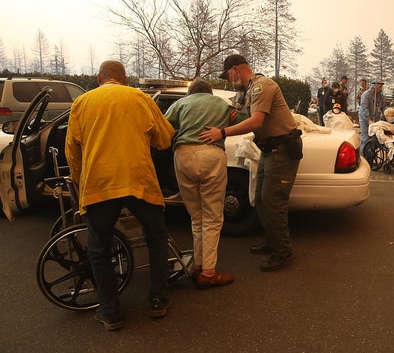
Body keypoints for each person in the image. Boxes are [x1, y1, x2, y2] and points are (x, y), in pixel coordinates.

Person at [65, 60, 175, 331]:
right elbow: (164, 138)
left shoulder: (81, 102)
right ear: (124, 78)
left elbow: (72, 150)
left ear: (98, 78)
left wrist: (80, 183)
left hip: (100, 182)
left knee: (99, 248)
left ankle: (111, 313)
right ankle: (158, 300)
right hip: (138, 179)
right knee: (157, 238)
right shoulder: (140, 98)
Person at [199, 54, 302, 272]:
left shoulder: (261, 86)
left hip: (281, 150)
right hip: (269, 149)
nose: (228, 79)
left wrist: (222, 132)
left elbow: (256, 121)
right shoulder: (249, 90)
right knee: (261, 200)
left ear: (236, 69)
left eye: (228, 74)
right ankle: (272, 241)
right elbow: (249, 115)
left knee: (273, 201)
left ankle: (282, 252)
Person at [164, 80, 235, 289]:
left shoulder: (181, 104)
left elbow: (164, 126)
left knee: (196, 216)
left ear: (190, 92)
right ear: (209, 92)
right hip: (211, 154)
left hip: (183, 155)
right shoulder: (221, 104)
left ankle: (198, 265)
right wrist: (230, 116)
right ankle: (209, 273)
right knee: (212, 216)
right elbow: (244, 119)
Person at [359, 81, 385, 150]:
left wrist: (387, 115)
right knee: (365, 138)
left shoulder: (380, 96)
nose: (380, 88)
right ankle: (363, 156)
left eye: (381, 87)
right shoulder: (366, 94)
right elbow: (364, 108)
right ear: (374, 86)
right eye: (379, 86)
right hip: (365, 119)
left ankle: (370, 157)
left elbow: (383, 107)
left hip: (375, 119)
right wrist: (369, 119)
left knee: (374, 139)